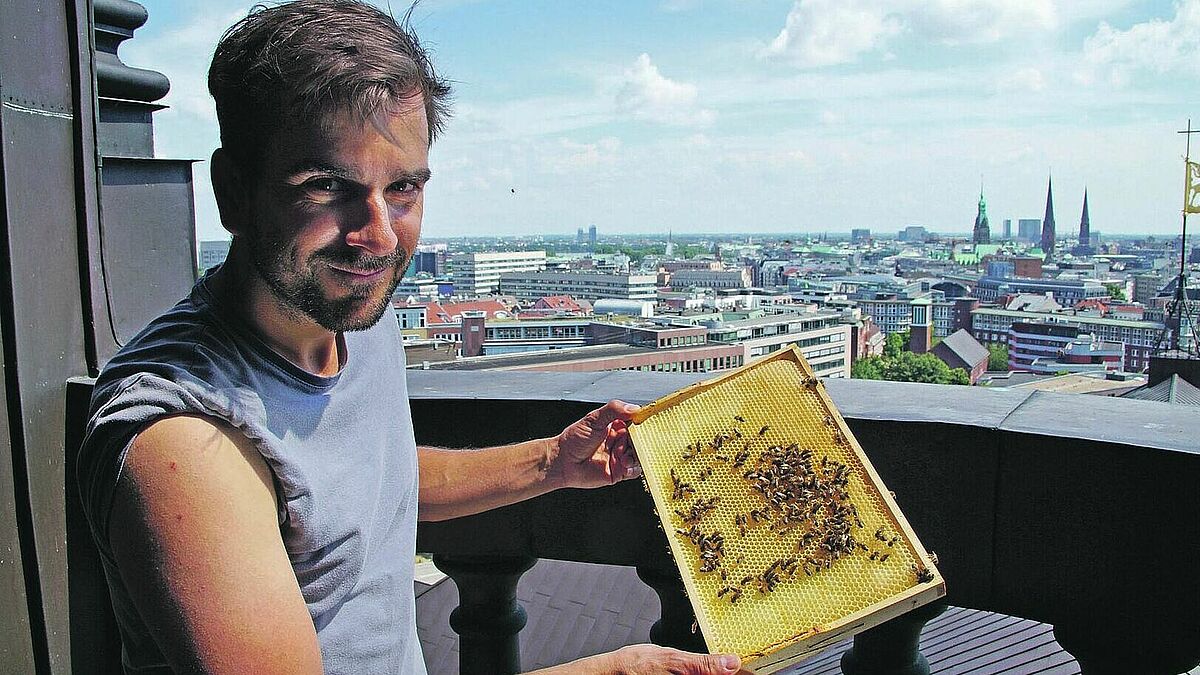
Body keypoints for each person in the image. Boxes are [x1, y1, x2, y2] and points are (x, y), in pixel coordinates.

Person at [76, 1, 743, 673]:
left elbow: (367, 482)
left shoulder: (352, 313)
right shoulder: (186, 444)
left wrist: (554, 463)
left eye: (402, 189)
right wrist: (608, 670)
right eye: (326, 185)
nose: (378, 235)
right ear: (234, 192)